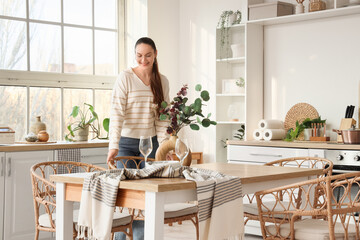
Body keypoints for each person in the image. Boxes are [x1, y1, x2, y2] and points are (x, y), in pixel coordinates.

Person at [107, 37, 170, 240]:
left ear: (155, 54)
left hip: (150, 144)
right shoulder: (125, 77)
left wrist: (164, 148)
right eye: (139, 55)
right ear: (135, 55)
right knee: (126, 196)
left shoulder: (162, 81)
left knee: (146, 197)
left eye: (148, 55)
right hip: (126, 144)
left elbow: (162, 120)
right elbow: (117, 113)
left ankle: (141, 238)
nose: (143, 60)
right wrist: (113, 145)